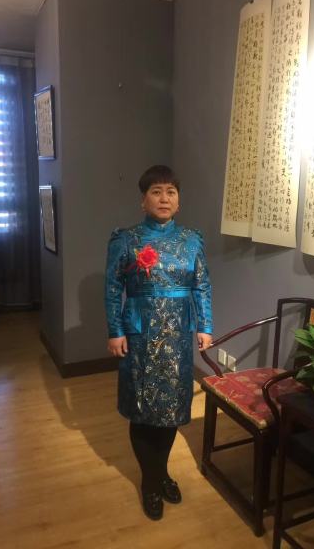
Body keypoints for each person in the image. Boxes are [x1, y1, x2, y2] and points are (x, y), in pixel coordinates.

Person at [105, 165, 213, 521]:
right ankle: (150, 482)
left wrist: (205, 326)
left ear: (178, 201)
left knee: (169, 411)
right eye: (156, 191)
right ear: (143, 200)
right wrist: (115, 330)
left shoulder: (192, 240)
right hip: (140, 335)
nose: (164, 198)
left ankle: (161, 472)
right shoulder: (126, 239)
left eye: (171, 192)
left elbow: (201, 285)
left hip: (178, 337)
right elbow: (112, 288)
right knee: (142, 410)